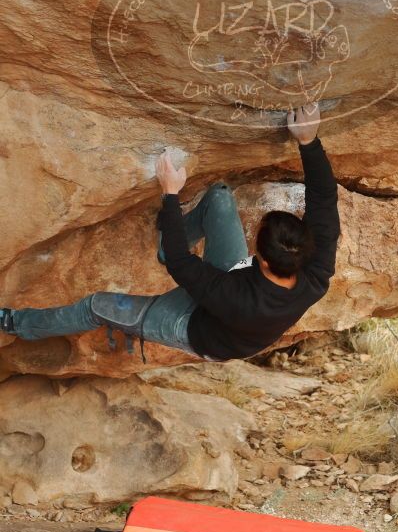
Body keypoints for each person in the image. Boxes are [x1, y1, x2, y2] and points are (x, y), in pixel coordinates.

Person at [0, 104, 340, 362]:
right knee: (220, 197)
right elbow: (324, 197)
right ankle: (166, 239)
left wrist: (170, 195)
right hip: (226, 299)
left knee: (96, 306)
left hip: (194, 329)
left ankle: (16, 323)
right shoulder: (316, 269)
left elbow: (180, 263)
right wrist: (309, 142)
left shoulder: (234, 294)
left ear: (262, 260)